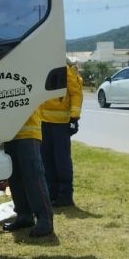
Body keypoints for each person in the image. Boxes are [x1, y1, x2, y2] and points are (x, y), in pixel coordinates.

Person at [3, 108, 54, 237]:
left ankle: (45, 219)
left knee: (33, 177)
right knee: (15, 178)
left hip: (28, 131)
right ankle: (24, 215)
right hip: (9, 133)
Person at [40, 59, 83, 207]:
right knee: (47, 160)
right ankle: (52, 194)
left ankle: (65, 195)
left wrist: (74, 117)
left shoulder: (65, 69)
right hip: (42, 122)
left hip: (61, 124)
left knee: (61, 160)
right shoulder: (39, 66)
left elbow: (76, 93)